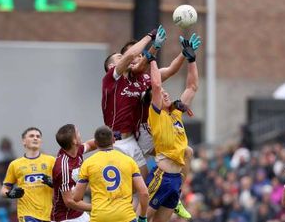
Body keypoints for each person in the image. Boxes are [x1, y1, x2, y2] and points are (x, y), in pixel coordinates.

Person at [101, 25, 166, 179]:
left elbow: (141, 64)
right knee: (121, 187)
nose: (124, 59)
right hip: (116, 143)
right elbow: (130, 56)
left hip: (132, 140)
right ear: (112, 66)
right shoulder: (111, 79)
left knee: (143, 184)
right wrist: (150, 36)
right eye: (119, 58)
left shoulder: (131, 80)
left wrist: (155, 48)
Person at [145, 36, 198, 222]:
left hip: (175, 181)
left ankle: (178, 200)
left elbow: (192, 87)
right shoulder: (156, 115)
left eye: (167, 92)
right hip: (161, 177)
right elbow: (157, 85)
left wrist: (191, 60)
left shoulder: (175, 113)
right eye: (161, 94)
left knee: (188, 151)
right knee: (140, 219)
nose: (165, 93)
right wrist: (152, 58)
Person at [73, 125, 149, 222]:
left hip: (100, 217)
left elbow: (76, 197)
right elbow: (144, 193)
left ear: (95, 143)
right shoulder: (129, 161)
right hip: (125, 217)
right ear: (113, 140)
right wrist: (142, 216)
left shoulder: (88, 164)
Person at [0, 127, 55, 222]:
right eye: (31, 136)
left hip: (49, 215)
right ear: (24, 141)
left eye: (38, 136)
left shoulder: (51, 161)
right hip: (27, 214)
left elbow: (64, 184)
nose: (35, 138)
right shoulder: (15, 164)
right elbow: (3, 190)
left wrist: (53, 182)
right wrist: (10, 194)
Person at [51, 124, 98, 222]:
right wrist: (97, 208)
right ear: (74, 141)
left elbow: (89, 145)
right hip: (66, 218)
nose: (80, 134)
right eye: (78, 133)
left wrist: (106, 139)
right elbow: (69, 202)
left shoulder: (76, 150)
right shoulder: (63, 167)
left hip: (79, 213)